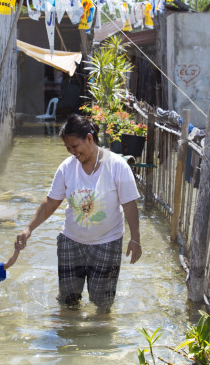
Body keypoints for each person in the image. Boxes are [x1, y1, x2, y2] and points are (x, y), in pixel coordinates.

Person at [15, 113, 141, 311]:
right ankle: (70, 336)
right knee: (68, 301)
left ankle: (100, 338)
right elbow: (51, 202)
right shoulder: (67, 167)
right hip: (71, 242)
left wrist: (135, 238)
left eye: (75, 146)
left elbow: (130, 204)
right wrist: (28, 229)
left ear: (89, 139)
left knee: (102, 303)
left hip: (107, 243)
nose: (72, 152)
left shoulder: (117, 166)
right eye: (68, 148)